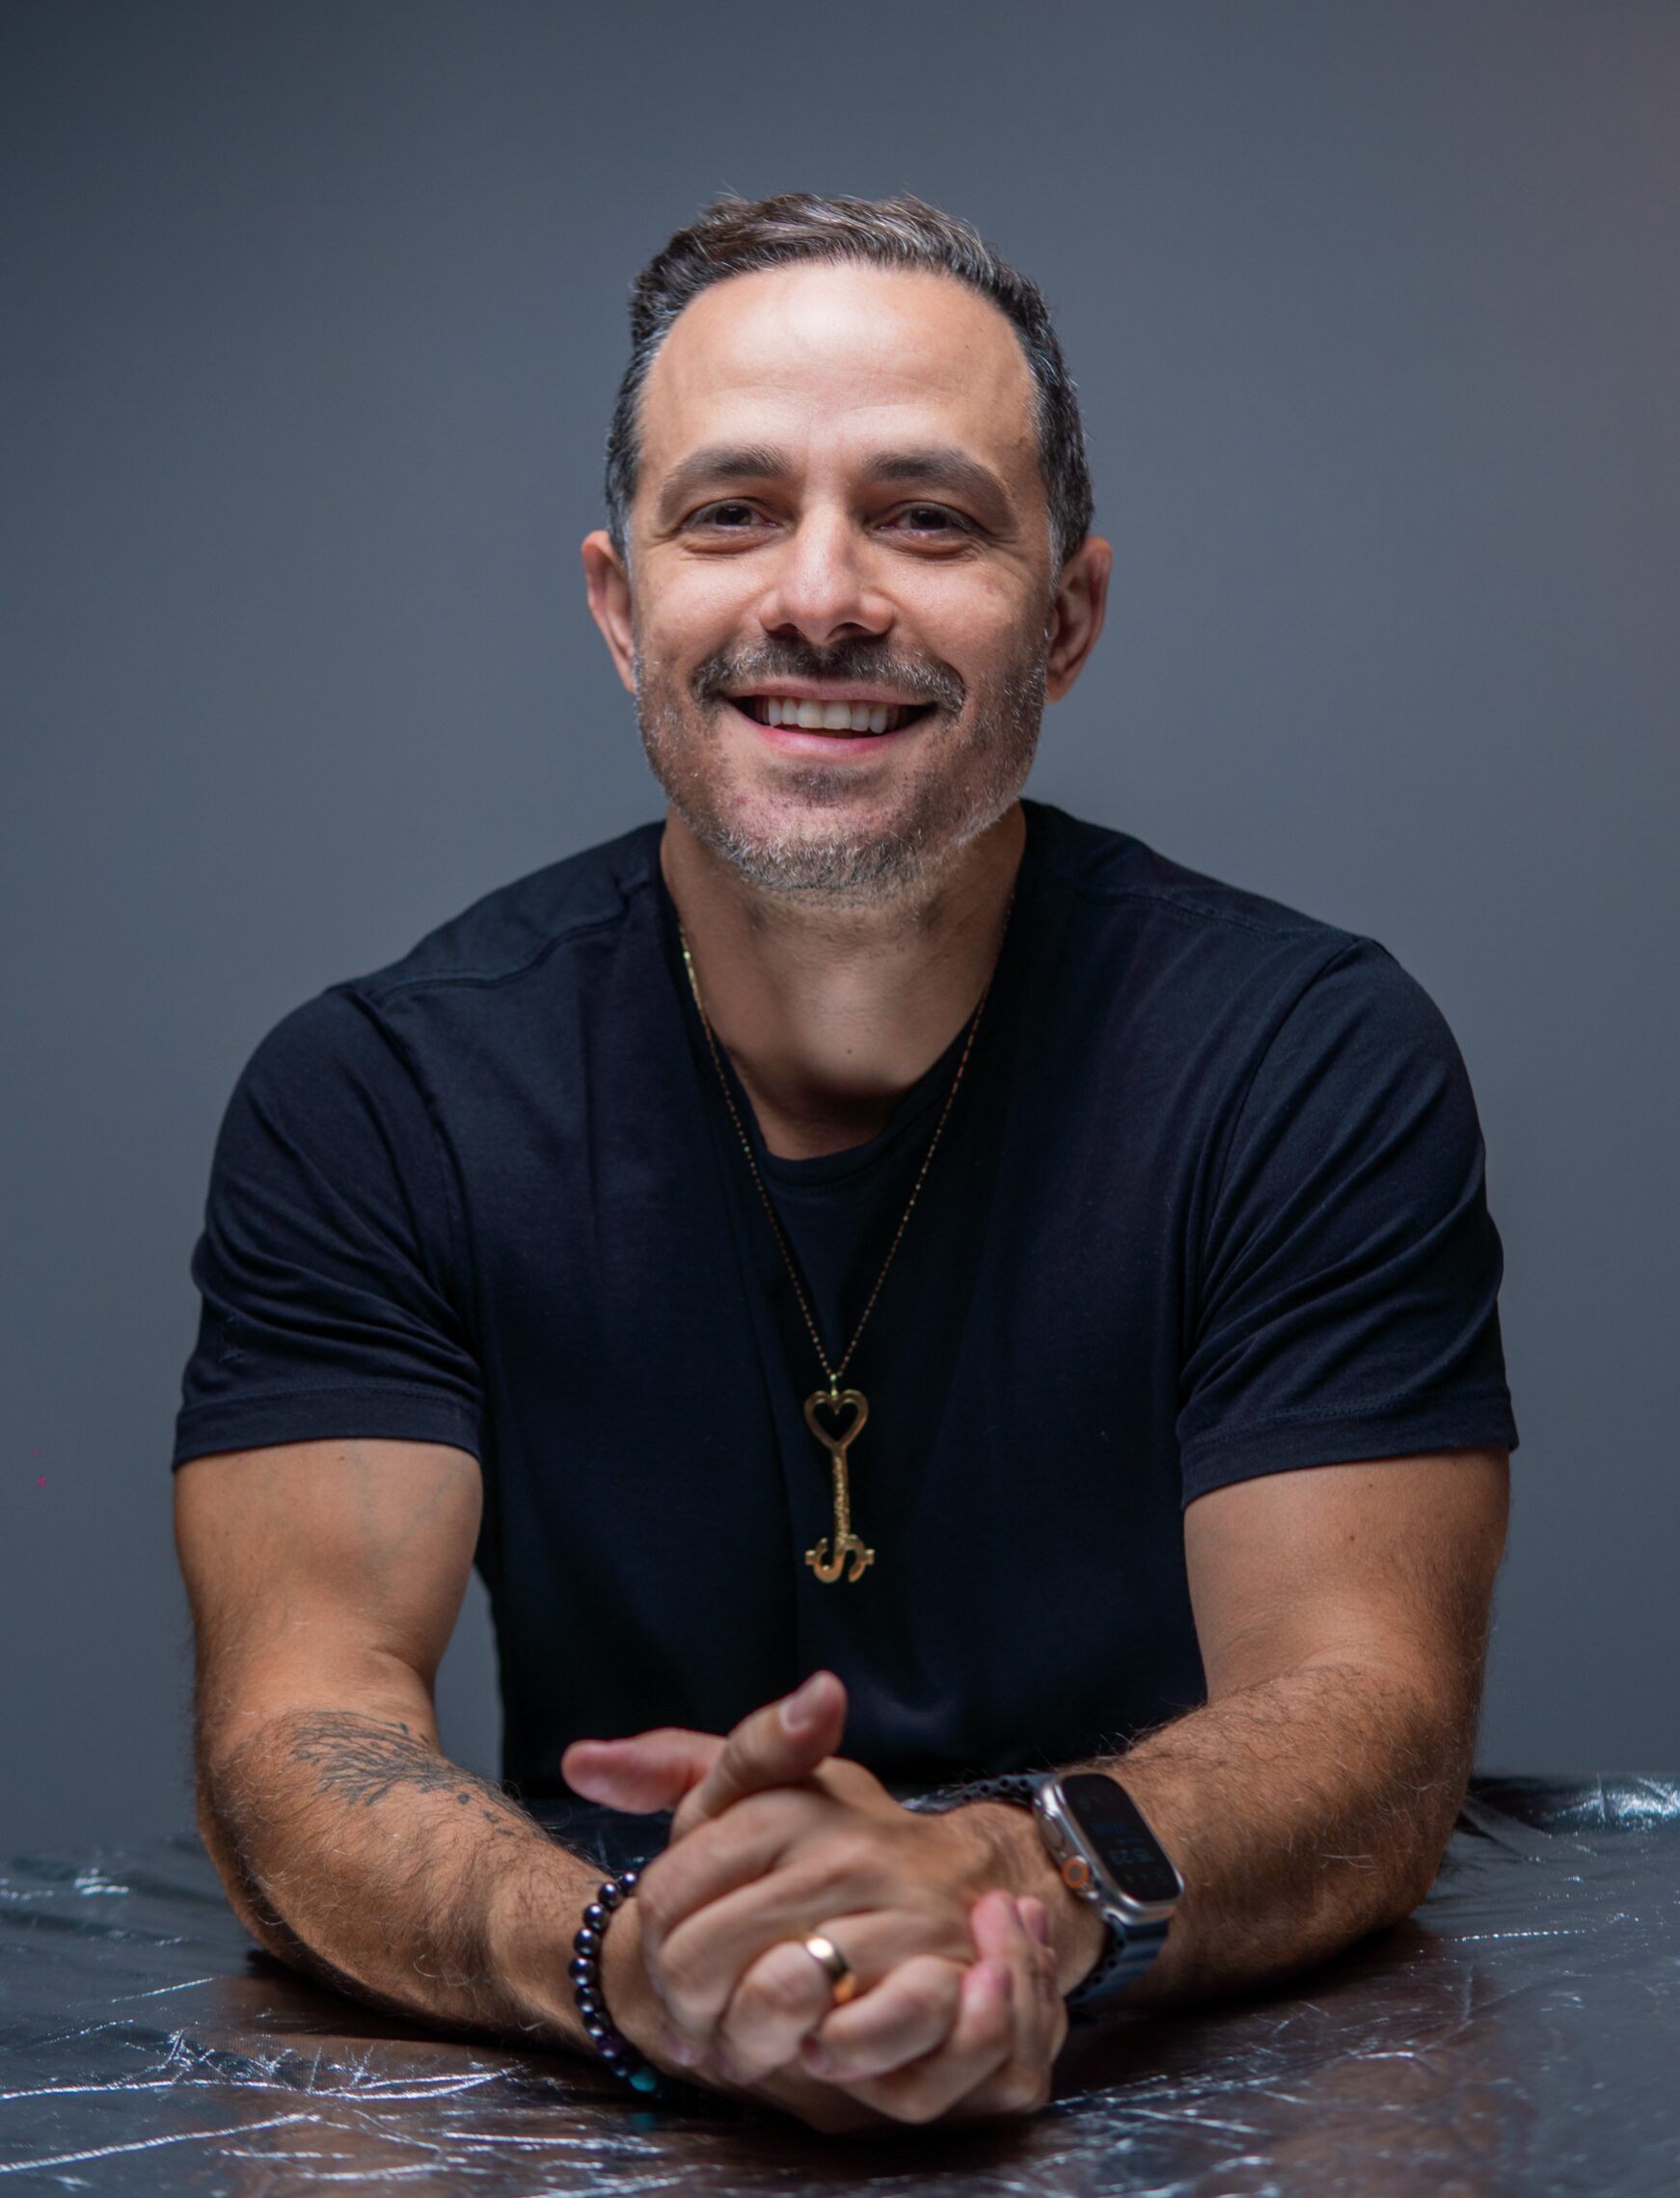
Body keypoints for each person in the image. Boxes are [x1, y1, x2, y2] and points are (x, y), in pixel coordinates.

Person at [173, 192, 1516, 2132]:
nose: (821, 596)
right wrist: (628, 1960)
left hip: (1180, 2059)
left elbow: (1368, 1717)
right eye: (730, 512)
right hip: (614, 2066)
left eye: (927, 517)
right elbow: (299, 1730)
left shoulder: (1301, 1057)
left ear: (1066, 614)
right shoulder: (381, 1094)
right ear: (618, 604)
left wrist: (1011, 1884)